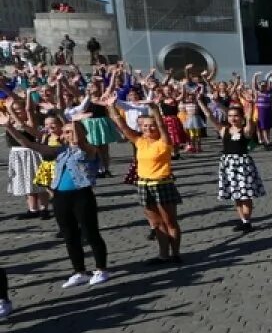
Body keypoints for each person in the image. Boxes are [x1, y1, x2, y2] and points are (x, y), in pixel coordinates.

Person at [2, 116, 111, 287]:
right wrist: (8, 126)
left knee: (91, 234)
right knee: (70, 236)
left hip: (81, 195)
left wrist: (74, 122)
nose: (67, 134)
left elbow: (79, 141)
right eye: (65, 132)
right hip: (60, 197)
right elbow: (28, 144)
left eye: (70, 131)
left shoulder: (89, 149)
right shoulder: (59, 151)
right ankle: (79, 271)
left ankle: (101, 269)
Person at [107, 95, 182, 264]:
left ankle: (175, 254)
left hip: (162, 184)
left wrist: (154, 108)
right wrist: (111, 106)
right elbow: (122, 126)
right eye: (145, 126)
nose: (148, 129)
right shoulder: (139, 141)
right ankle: (163, 255)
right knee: (156, 224)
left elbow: (163, 126)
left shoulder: (164, 142)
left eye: (151, 125)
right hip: (143, 184)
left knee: (170, 222)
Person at [209, 100, 266, 232]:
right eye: (230, 116)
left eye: (235, 116)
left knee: (245, 195)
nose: (233, 118)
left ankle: (247, 221)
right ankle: (243, 220)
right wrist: (201, 102)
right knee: (236, 195)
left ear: (241, 117)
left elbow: (250, 121)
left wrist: (251, 107)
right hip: (228, 164)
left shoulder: (245, 130)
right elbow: (211, 118)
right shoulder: (224, 130)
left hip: (243, 165)